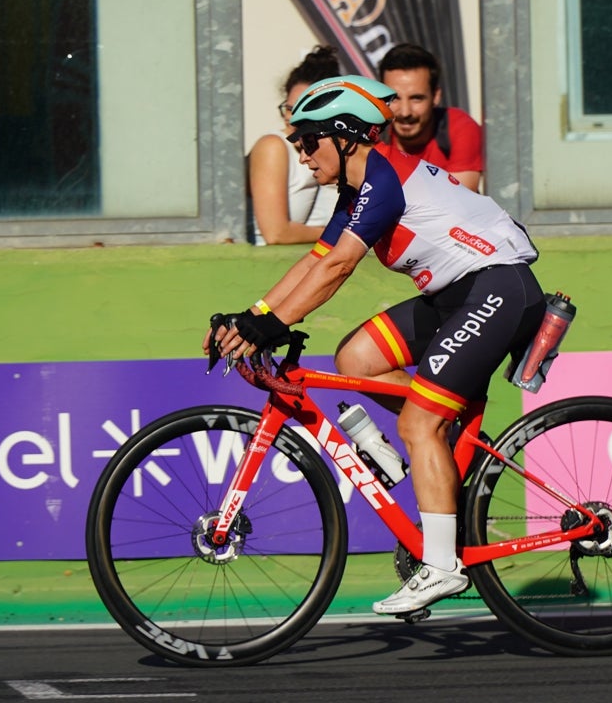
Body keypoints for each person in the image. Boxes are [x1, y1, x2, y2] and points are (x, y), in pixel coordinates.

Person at [207, 75, 546, 615]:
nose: (301, 155)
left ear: (344, 135)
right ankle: (436, 438)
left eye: (307, 141)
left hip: (498, 287)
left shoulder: (383, 178)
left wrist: (268, 328)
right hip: (454, 293)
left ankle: (441, 566)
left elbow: (340, 267)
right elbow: (316, 260)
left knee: (417, 423)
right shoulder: (357, 190)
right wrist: (254, 317)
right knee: (356, 358)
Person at [247, 46, 341, 245]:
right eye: (289, 109)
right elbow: (276, 234)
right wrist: (345, 234)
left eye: (302, 110)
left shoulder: (337, 151)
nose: (291, 119)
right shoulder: (273, 147)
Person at [377, 42, 484, 191]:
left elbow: (460, 203)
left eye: (416, 98)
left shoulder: (459, 128)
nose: (405, 112)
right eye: (395, 98)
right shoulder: (371, 136)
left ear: (436, 96)